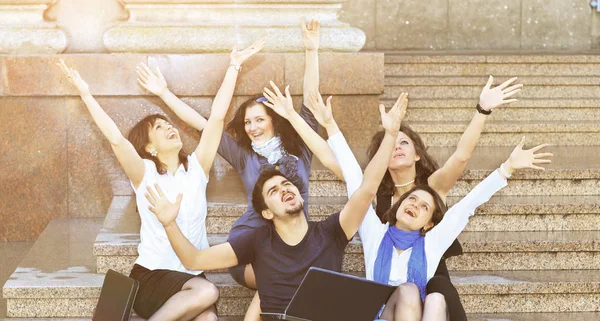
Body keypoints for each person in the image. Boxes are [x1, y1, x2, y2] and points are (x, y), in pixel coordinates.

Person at [136, 18, 342, 320]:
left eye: (259, 119)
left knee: (294, 271)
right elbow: (204, 125)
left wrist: (311, 50)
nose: (252, 127)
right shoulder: (244, 156)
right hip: (251, 243)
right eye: (247, 122)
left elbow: (311, 99)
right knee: (280, 272)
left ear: (274, 118)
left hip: (296, 239)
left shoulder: (299, 147)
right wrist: (164, 93)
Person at [144, 95, 408, 320]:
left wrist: (391, 135)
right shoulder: (256, 242)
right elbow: (194, 260)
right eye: (274, 190)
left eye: (287, 185)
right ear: (266, 213)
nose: (285, 189)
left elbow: (367, 190)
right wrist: (168, 223)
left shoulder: (331, 233)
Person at [56, 40, 262, 321]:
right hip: (152, 278)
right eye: (160, 128)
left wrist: (234, 66)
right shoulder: (144, 174)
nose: (170, 128)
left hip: (191, 277)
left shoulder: (197, 170)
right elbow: (116, 140)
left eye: (169, 124)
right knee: (209, 293)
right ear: (150, 148)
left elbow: (215, 118)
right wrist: (86, 94)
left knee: (210, 319)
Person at [324, 93, 552, 320]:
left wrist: (507, 168)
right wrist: (329, 124)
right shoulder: (375, 233)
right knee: (409, 290)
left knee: (435, 299)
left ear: (429, 224)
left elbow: (468, 204)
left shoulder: (432, 243)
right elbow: (356, 182)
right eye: (411, 200)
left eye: (424, 207)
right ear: (398, 205)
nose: (415, 205)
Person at [365, 76, 523, 320]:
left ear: (418, 154)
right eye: (391, 145)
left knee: (437, 291)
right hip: (387, 293)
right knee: (409, 292)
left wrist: (482, 111)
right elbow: (346, 170)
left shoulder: (431, 188)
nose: (397, 147)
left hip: (426, 265)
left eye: (404, 142)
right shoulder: (374, 198)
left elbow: (461, 159)